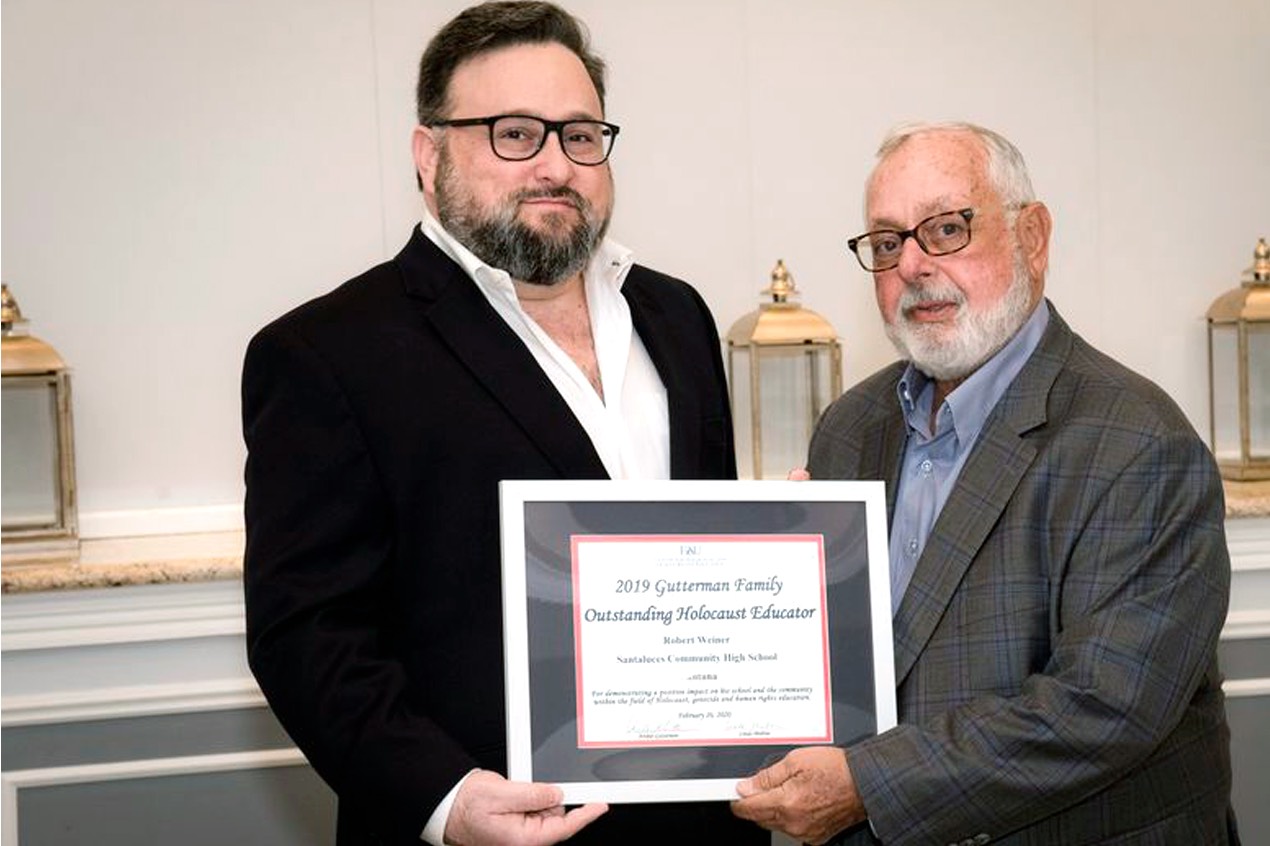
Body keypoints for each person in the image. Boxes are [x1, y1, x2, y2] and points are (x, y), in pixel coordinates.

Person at [241, 3, 764, 844]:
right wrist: (445, 800)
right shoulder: (325, 353)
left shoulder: (677, 316)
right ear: (429, 154)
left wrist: (778, 546)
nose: (556, 165)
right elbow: (307, 636)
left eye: (581, 135)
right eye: (515, 134)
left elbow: (699, 563)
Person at [731, 122, 1238, 845]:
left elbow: (1103, 707)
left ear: (1032, 237)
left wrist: (868, 787)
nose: (912, 265)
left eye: (946, 229)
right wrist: (775, 588)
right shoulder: (850, 427)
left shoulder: (1140, 444)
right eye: (887, 243)